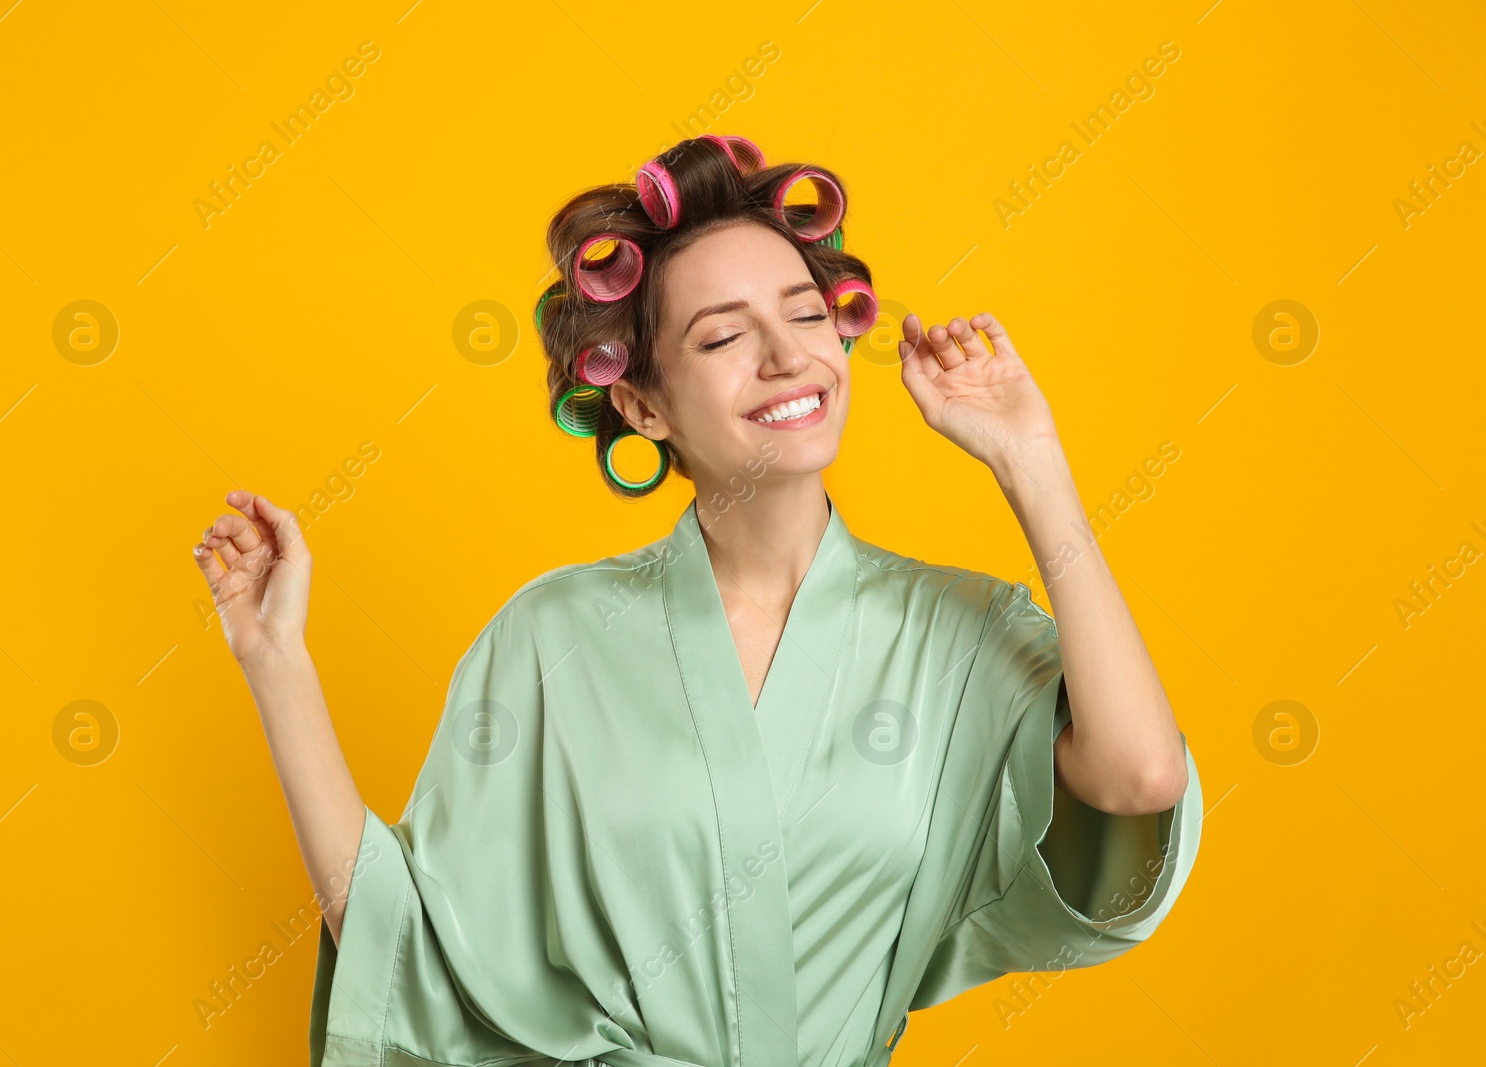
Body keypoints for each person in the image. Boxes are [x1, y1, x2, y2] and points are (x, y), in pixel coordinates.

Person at [191, 135, 1202, 1067]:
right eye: (723, 337)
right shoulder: (553, 636)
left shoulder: (958, 630)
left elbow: (1139, 776)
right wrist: (276, 663)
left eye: (806, 314)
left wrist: (1031, 464)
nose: (785, 354)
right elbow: (403, 939)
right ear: (641, 402)